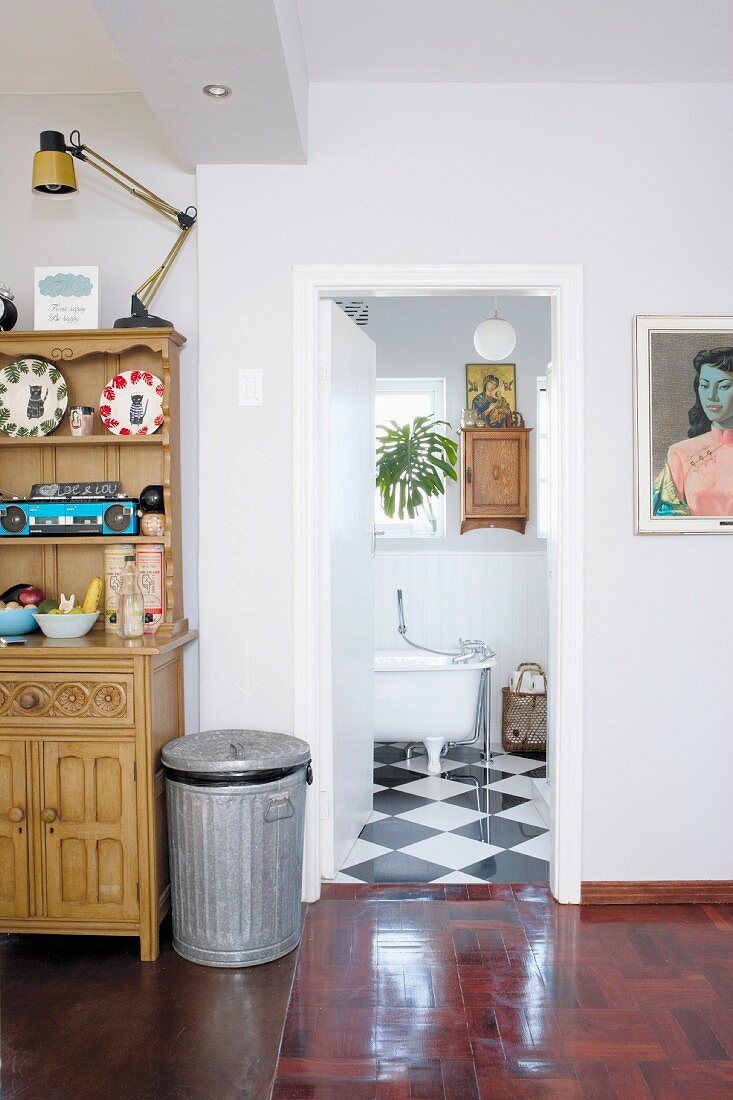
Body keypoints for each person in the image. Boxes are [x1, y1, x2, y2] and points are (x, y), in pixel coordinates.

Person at [653, 347, 733, 516]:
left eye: (724, 386)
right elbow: (663, 517)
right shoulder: (681, 454)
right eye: (704, 385)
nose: (711, 396)